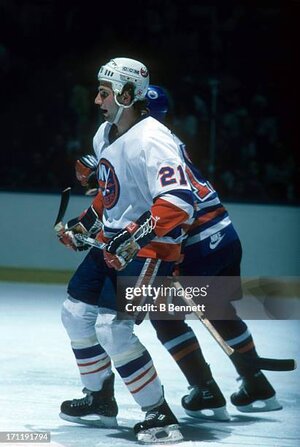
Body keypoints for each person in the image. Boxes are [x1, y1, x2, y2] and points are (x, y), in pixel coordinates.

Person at [74, 85, 282, 421]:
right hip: (224, 233)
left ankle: (206, 390)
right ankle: (256, 383)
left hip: (193, 239)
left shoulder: (142, 140)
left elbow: (170, 208)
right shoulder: (162, 138)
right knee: (218, 307)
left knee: (165, 317)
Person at [57, 57, 196, 444]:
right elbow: (111, 194)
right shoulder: (104, 134)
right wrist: (85, 224)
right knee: (75, 314)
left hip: (151, 251)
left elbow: (179, 201)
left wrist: (134, 235)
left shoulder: (154, 138)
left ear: (127, 93)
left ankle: (159, 415)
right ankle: (100, 400)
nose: (97, 99)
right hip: (114, 244)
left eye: (104, 91)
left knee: (113, 330)